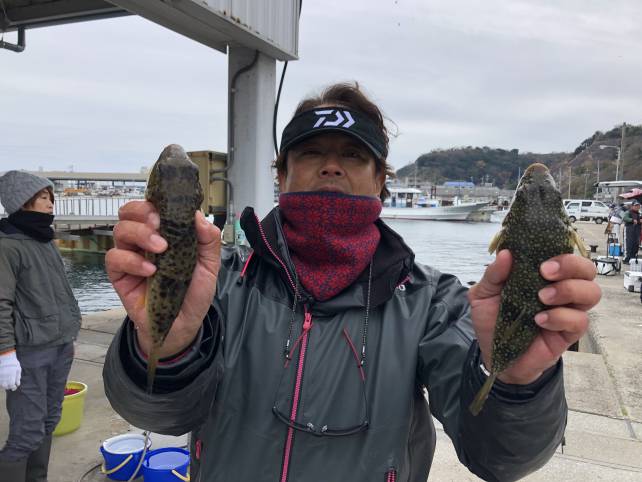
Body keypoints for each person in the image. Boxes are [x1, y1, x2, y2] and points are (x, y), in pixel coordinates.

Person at [103, 83, 601, 481]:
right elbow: (158, 417)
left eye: (354, 154)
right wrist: (165, 345)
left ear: (381, 179)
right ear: (282, 174)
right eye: (310, 151)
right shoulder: (219, 283)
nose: (331, 165)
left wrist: (518, 383)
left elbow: (501, 460)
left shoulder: (434, 303)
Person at [0, 171, 82, 481]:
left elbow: (60, 293)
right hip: (30, 352)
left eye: (50, 197)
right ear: (23, 202)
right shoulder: (7, 246)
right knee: (26, 431)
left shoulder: (45, 241)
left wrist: (68, 333)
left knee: (49, 420)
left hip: (59, 346)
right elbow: (1, 303)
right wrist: (5, 353)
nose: (50, 204)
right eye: (43, 198)